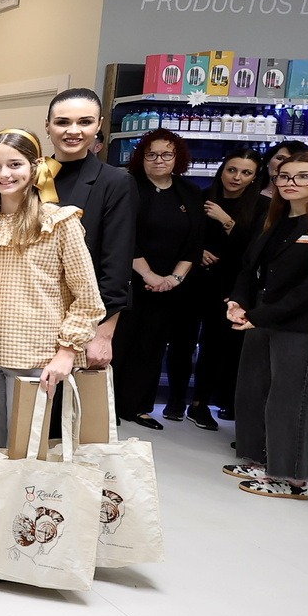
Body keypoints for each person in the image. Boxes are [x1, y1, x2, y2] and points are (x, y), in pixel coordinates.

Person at [0, 129, 103, 507]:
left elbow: (88, 298)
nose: (4, 174)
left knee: (26, 452)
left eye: (15, 164)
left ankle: (20, 530)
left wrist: (66, 352)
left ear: (35, 167)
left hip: (36, 358)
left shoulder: (59, 222)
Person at [226, 151, 308, 499]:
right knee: (253, 390)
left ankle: (292, 478)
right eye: (284, 176)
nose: (290, 183)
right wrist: (238, 302)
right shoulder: (275, 219)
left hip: (304, 324)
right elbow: (248, 267)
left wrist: (260, 316)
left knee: (291, 400)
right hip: (262, 316)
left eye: (302, 177)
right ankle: (260, 459)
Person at [114, 129, 205, 428]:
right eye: (151, 154)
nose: (158, 160)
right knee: (120, 343)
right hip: (129, 279)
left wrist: (174, 279)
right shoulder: (127, 185)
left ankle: (138, 407)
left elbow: (195, 242)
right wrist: (149, 274)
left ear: (178, 157)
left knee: (152, 346)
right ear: (141, 157)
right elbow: (122, 235)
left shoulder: (189, 191)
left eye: (166, 154)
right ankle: (107, 406)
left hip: (169, 286)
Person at [46, 88, 136, 370]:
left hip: (84, 320)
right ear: (47, 126)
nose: (73, 131)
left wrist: (104, 333)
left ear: (98, 126)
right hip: (35, 312)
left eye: (84, 122)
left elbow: (117, 264)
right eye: (62, 122)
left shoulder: (114, 181)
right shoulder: (33, 175)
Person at [188, 149, 265, 430]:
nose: (237, 177)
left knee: (220, 346)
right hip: (194, 279)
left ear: (255, 177)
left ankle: (210, 402)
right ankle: (183, 402)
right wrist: (197, 251)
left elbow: (254, 250)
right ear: (222, 170)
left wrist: (226, 220)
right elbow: (183, 234)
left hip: (231, 287)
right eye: (232, 170)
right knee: (185, 342)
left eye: (246, 173)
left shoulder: (262, 206)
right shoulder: (201, 197)